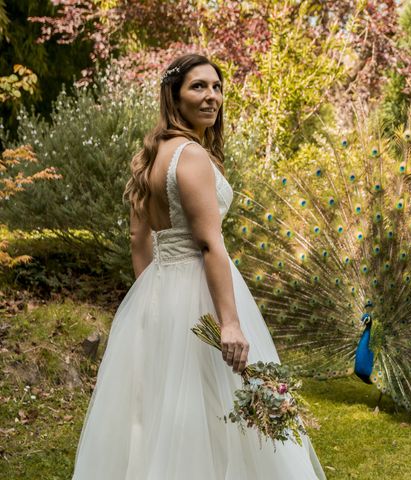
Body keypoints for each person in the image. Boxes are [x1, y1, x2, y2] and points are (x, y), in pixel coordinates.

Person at [71, 53, 327, 480]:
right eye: (198, 87)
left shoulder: (147, 158)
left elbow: (139, 241)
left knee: (161, 414)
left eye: (217, 87)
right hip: (200, 293)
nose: (212, 97)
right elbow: (210, 244)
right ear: (174, 96)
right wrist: (229, 323)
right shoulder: (190, 157)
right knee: (212, 406)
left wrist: (153, 300)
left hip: (158, 293)